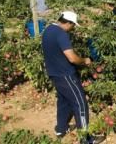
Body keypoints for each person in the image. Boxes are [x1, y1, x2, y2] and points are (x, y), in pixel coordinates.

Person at [41, 11, 101, 144]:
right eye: (73, 25)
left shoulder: (48, 30)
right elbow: (72, 58)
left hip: (54, 74)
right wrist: (85, 60)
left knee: (64, 102)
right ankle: (86, 139)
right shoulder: (61, 34)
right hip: (66, 75)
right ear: (68, 23)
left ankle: (61, 129)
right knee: (80, 104)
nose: (72, 28)